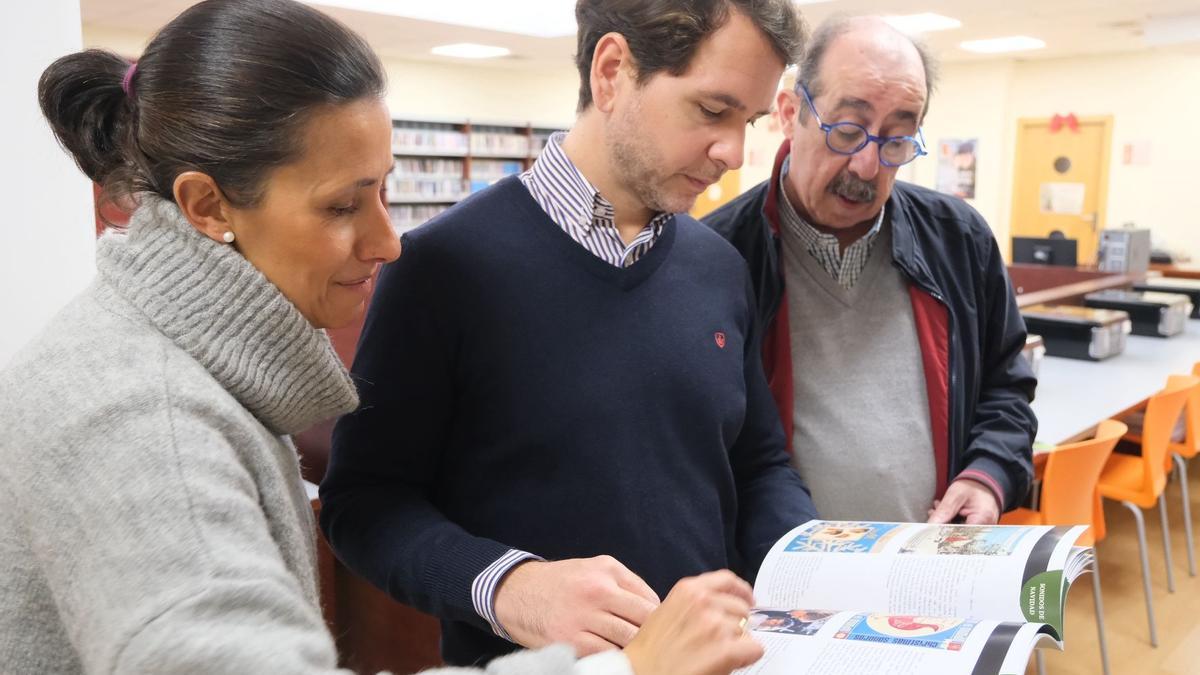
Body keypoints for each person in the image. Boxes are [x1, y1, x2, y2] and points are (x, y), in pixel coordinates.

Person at [0, 1, 764, 673]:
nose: (387, 241)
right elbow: (366, 501)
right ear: (206, 204)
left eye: (384, 190)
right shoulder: (147, 418)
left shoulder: (202, 378)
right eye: (341, 206)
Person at [319, 0, 816, 667]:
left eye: (748, 121)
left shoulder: (719, 266)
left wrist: (810, 567)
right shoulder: (443, 267)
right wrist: (509, 585)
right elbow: (364, 502)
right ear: (611, 72)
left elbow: (758, 464)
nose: (732, 152)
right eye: (711, 110)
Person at [704, 16, 1036, 526]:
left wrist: (988, 474)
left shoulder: (959, 240)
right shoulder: (720, 256)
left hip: (928, 573)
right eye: (847, 131)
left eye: (897, 140)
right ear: (791, 114)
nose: (867, 166)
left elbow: (1005, 385)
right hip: (776, 585)